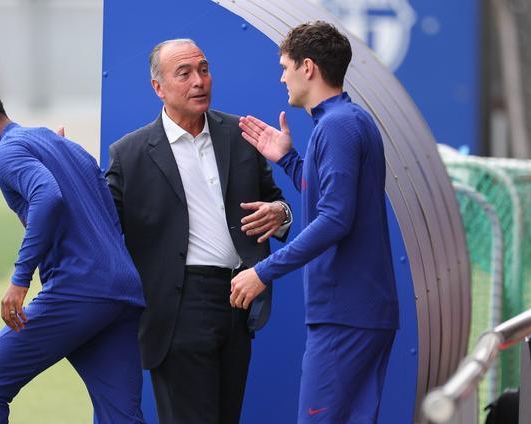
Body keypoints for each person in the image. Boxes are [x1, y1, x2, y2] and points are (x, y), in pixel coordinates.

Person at [105, 39, 292, 423]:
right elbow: (100, 224)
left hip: (239, 300)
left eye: (204, 69)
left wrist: (281, 213)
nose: (199, 81)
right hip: (177, 308)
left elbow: (276, 203)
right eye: (184, 73)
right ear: (158, 87)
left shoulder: (239, 135)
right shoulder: (129, 154)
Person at [0, 86, 146, 424]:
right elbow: (108, 213)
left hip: (81, 290)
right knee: (120, 416)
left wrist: (20, 279)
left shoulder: (5, 153)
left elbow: (48, 197)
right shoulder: (63, 145)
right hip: (122, 290)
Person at [231, 21, 400, 422]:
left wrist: (263, 272)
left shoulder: (339, 125)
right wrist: (288, 159)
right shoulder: (344, 121)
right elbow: (333, 201)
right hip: (356, 313)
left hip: (346, 314)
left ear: (308, 67)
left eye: (286, 66)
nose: (281, 76)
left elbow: (335, 219)